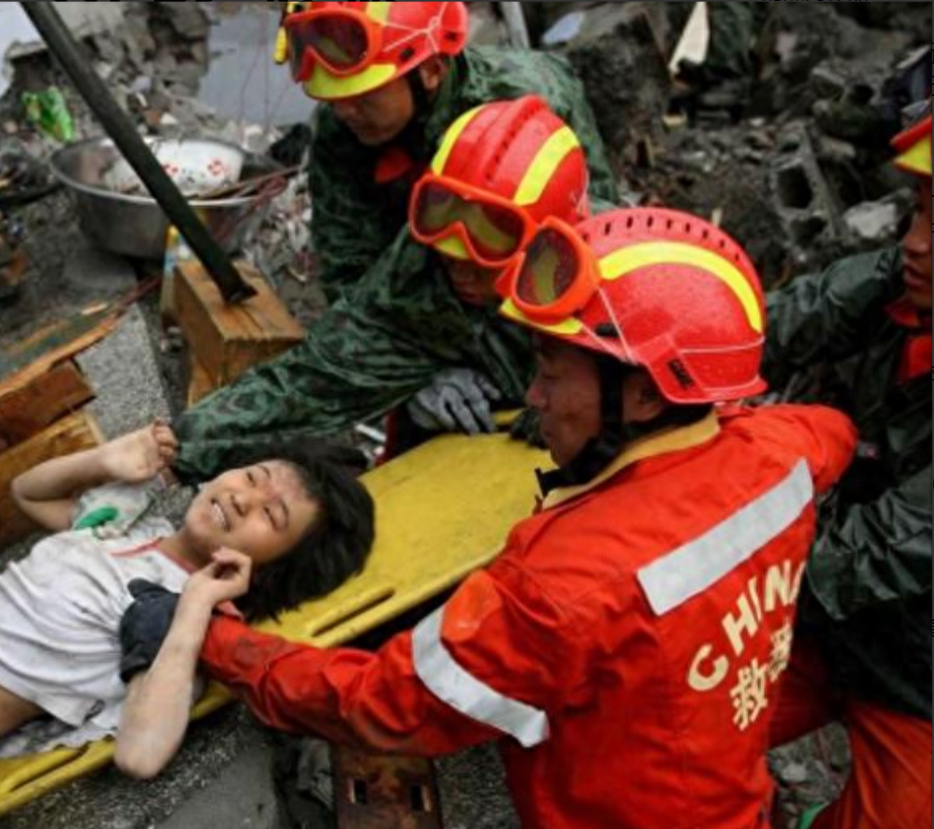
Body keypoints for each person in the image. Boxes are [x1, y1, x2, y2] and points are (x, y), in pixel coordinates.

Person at [127, 208, 858, 828]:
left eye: (548, 371)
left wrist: (218, 641)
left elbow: (385, 706)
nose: (533, 398)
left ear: (641, 397)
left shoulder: (557, 586)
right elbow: (832, 430)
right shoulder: (780, 452)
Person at [0, 422, 374, 808]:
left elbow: (142, 755)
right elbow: (28, 493)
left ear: (275, 568)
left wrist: (195, 607)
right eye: (252, 477)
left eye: (271, 515)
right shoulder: (135, 528)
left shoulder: (180, 619)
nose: (242, 498)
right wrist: (105, 461)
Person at [174, 96, 589, 481]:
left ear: (547, 250)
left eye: (486, 249)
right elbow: (312, 381)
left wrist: (566, 413)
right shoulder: (424, 260)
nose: (459, 269)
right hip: (444, 452)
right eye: (446, 237)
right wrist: (172, 447)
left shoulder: (613, 302)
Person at [763, 105, 931, 829]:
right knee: (662, 737)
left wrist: (718, 584)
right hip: (823, 627)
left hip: (917, 675)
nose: (915, 244)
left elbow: (876, 551)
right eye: (921, 211)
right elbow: (776, 323)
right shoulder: (899, 287)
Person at [279, 2, 617, 305]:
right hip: (419, 245)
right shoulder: (340, 126)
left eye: (363, 96)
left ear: (431, 71)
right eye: (334, 98)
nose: (344, 112)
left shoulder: (524, 108)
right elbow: (347, 263)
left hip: (518, 259)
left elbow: (588, 241)